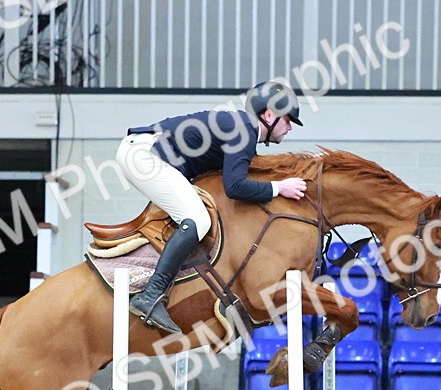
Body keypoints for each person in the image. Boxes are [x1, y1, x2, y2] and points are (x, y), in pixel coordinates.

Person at [116, 80, 308, 334]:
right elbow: (235, 187)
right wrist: (278, 187)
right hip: (145, 155)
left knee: (195, 215)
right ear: (269, 114)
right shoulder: (244, 130)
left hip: (146, 153)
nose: (290, 128)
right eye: (288, 120)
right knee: (197, 218)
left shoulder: (242, 129)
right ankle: (151, 295)